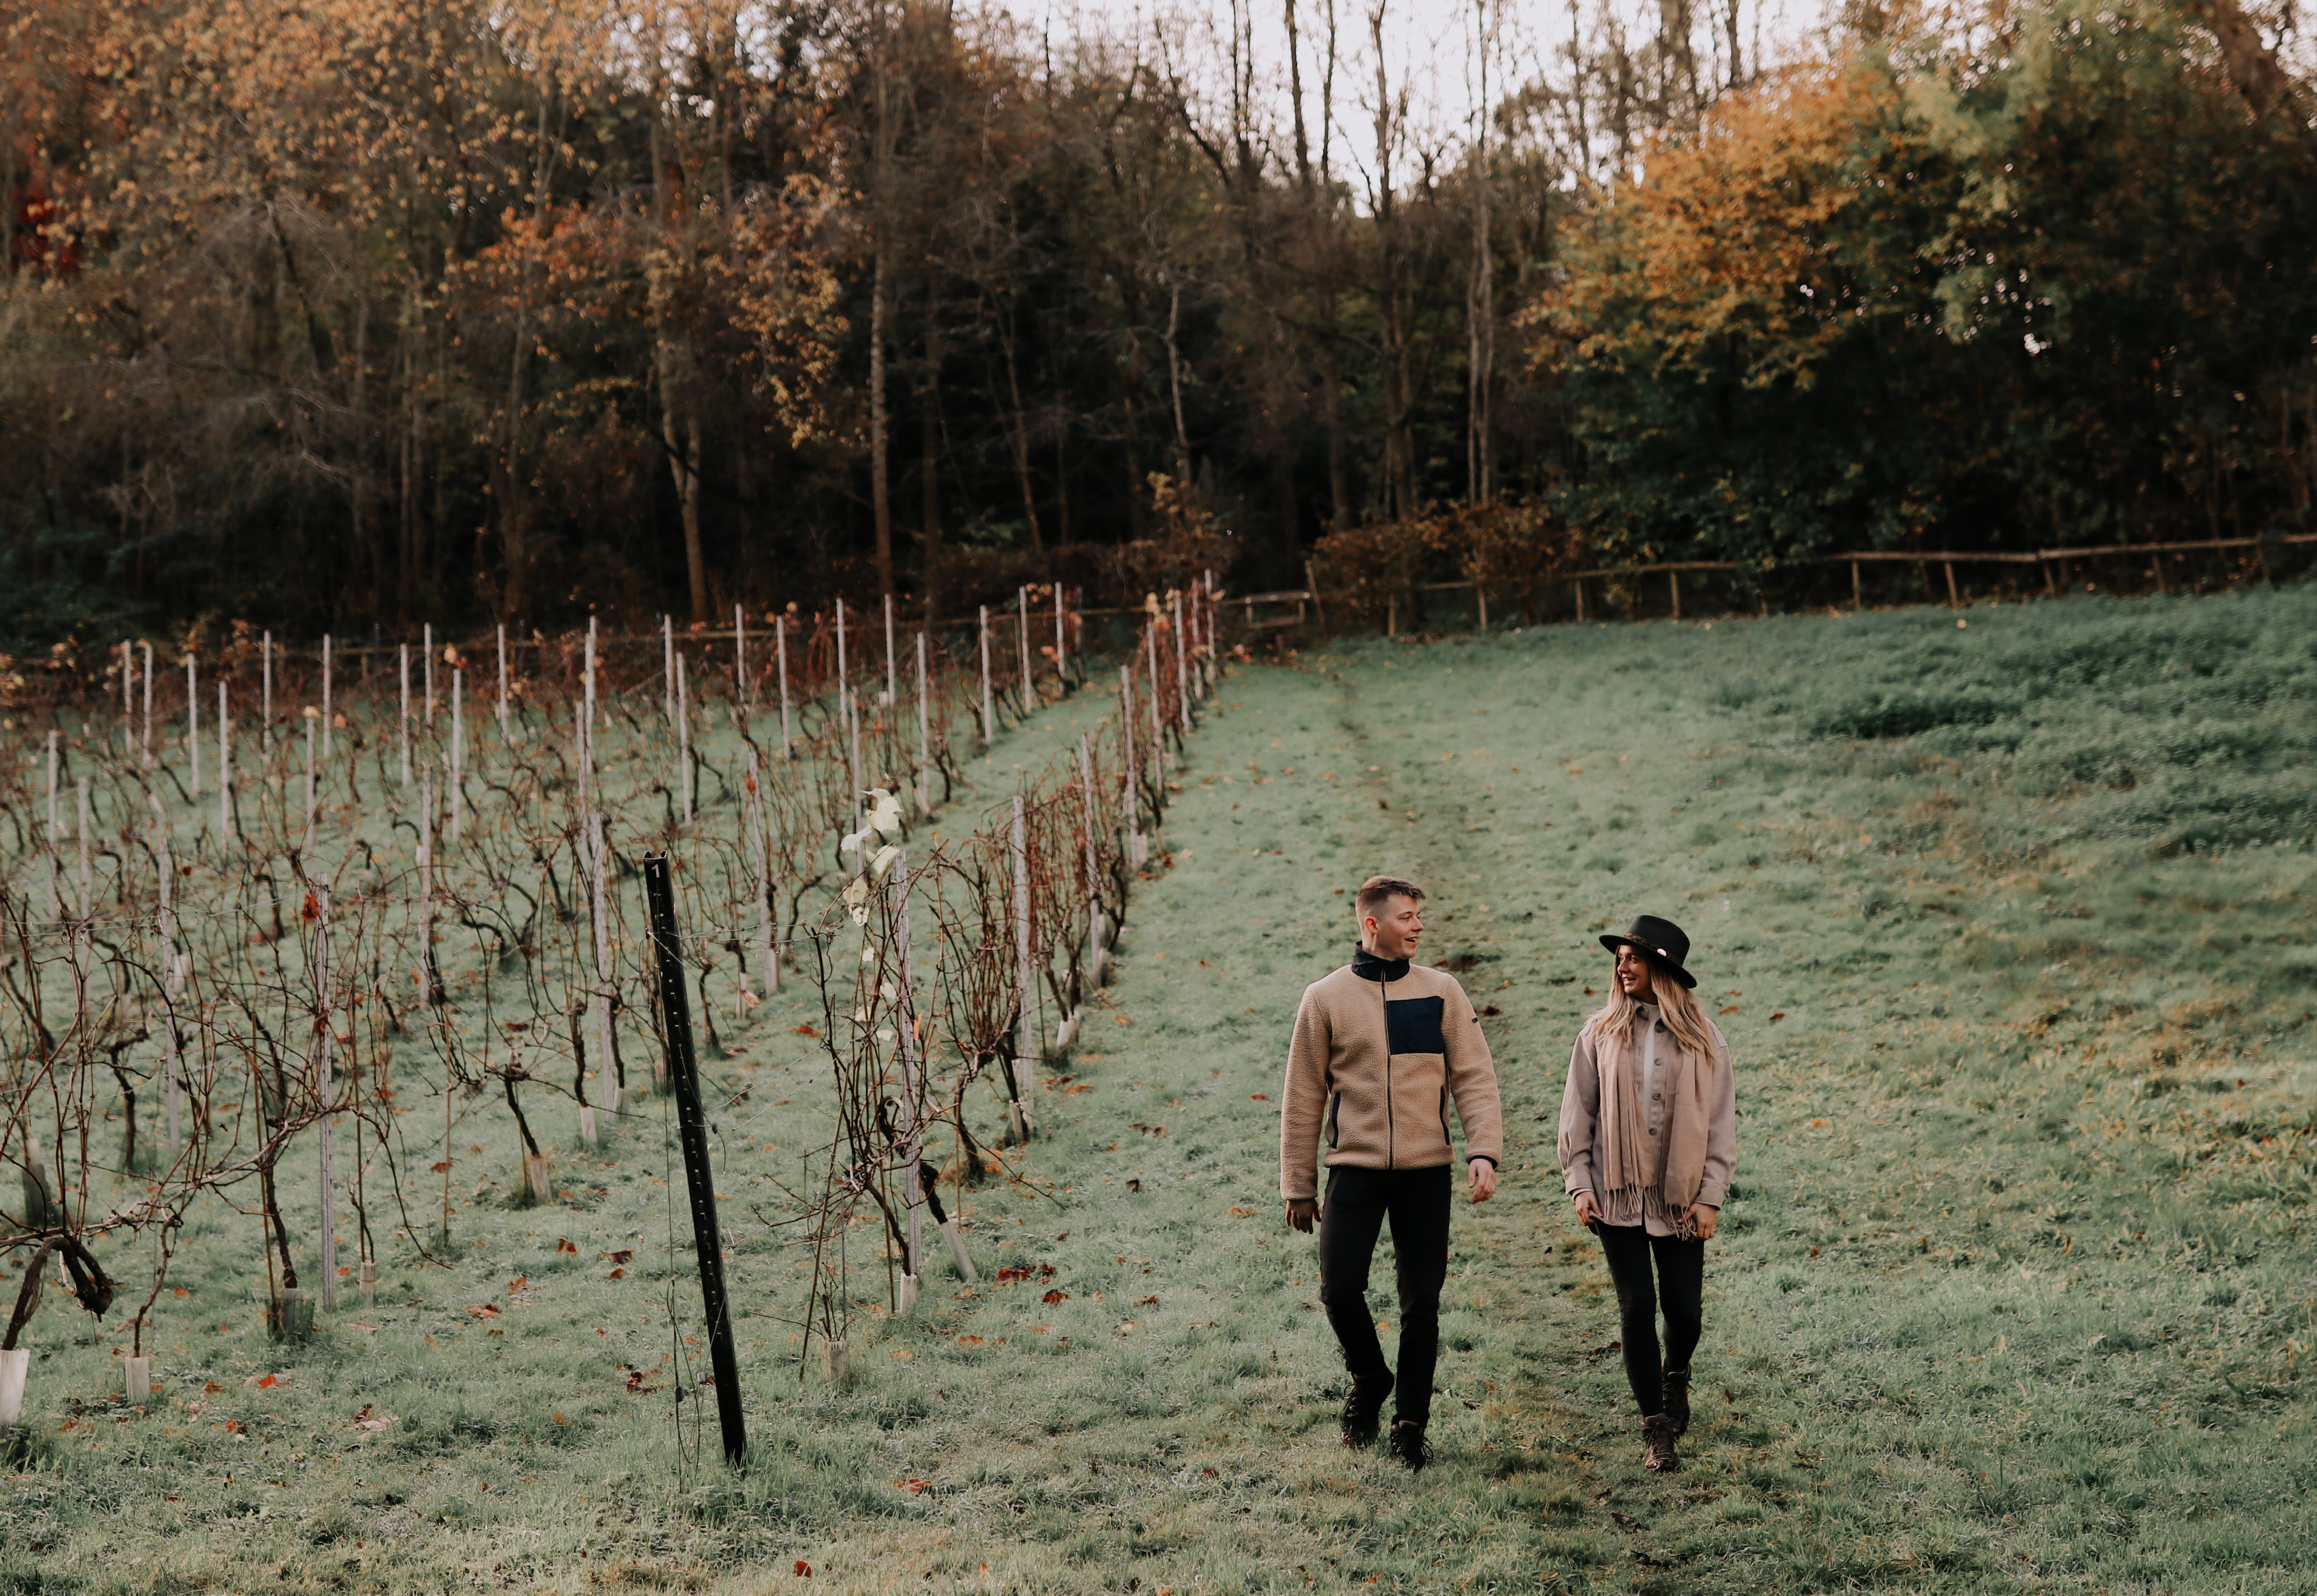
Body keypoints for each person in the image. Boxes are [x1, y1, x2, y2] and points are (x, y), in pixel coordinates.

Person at [1279, 875, 1504, 1471]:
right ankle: (1370, 1378)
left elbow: (1474, 1077)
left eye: (1418, 916)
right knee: (1339, 1286)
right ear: (1372, 924)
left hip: (1427, 1173)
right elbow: (1302, 1098)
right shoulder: (1324, 999)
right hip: (1354, 1169)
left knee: (1419, 1303)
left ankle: (1410, 1424)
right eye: (1406, 917)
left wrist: (1484, 1150)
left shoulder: (1442, 992)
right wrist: (1297, 1186)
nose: (1418, 927)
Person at [1557, 914, 1737, 1473]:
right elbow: (1578, 1112)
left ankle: (1675, 1374)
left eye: (1634, 957)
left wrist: (1709, 1195)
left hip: (1679, 1197)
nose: (1622, 965)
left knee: (1684, 1313)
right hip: (1615, 1193)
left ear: (1663, 969)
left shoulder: (1705, 1040)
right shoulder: (1599, 1033)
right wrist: (1578, 1183)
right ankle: (1655, 1427)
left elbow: (1719, 1123)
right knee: (1637, 1306)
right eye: (1619, 958)